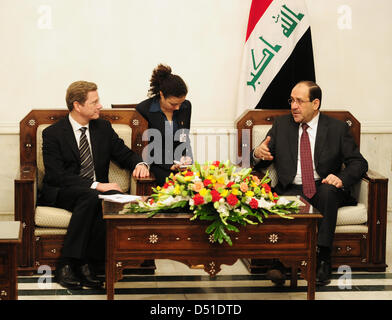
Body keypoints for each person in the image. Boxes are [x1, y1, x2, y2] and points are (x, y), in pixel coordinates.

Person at [252, 80, 368, 286]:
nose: (293, 106)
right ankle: (280, 262)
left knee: (327, 193)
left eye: (299, 101)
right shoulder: (281, 125)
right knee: (283, 199)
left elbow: (359, 163)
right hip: (291, 187)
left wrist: (340, 178)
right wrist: (257, 153)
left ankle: (323, 258)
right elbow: (260, 157)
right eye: (291, 101)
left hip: (323, 185)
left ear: (315, 104)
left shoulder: (336, 128)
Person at [39, 81, 150, 290]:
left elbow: (124, 154)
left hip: (91, 195)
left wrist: (141, 164)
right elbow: (56, 176)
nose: (100, 106)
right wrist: (97, 185)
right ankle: (70, 263)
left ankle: (86, 264)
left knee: (109, 199)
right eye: (94, 101)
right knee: (93, 197)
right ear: (77, 105)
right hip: (62, 191)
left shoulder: (103, 128)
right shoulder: (53, 133)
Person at [136, 64, 193, 186]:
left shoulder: (186, 106)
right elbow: (145, 146)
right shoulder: (144, 109)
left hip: (180, 162)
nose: (178, 107)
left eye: (181, 103)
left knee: (196, 186)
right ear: (161, 94)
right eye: (173, 104)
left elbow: (184, 138)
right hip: (157, 162)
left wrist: (185, 159)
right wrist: (170, 165)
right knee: (173, 186)